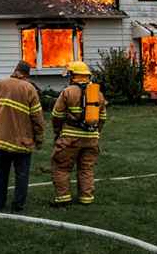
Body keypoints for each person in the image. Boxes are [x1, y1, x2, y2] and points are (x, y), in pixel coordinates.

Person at [0, 61, 45, 212]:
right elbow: (37, 117)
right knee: (21, 174)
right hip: (22, 141)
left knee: (0, 174)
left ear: (15, 71)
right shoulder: (28, 88)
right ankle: (18, 206)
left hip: (1, 138)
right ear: (26, 75)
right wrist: (39, 139)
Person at [50, 61, 107, 206]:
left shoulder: (68, 92)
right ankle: (86, 198)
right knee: (86, 168)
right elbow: (103, 118)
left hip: (70, 138)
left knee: (61, 166)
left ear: (73, 76)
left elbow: (56, 115)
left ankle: (63, 198)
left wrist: (57, 132)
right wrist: (96, 133)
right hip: (91, 139)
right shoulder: (98, 94)